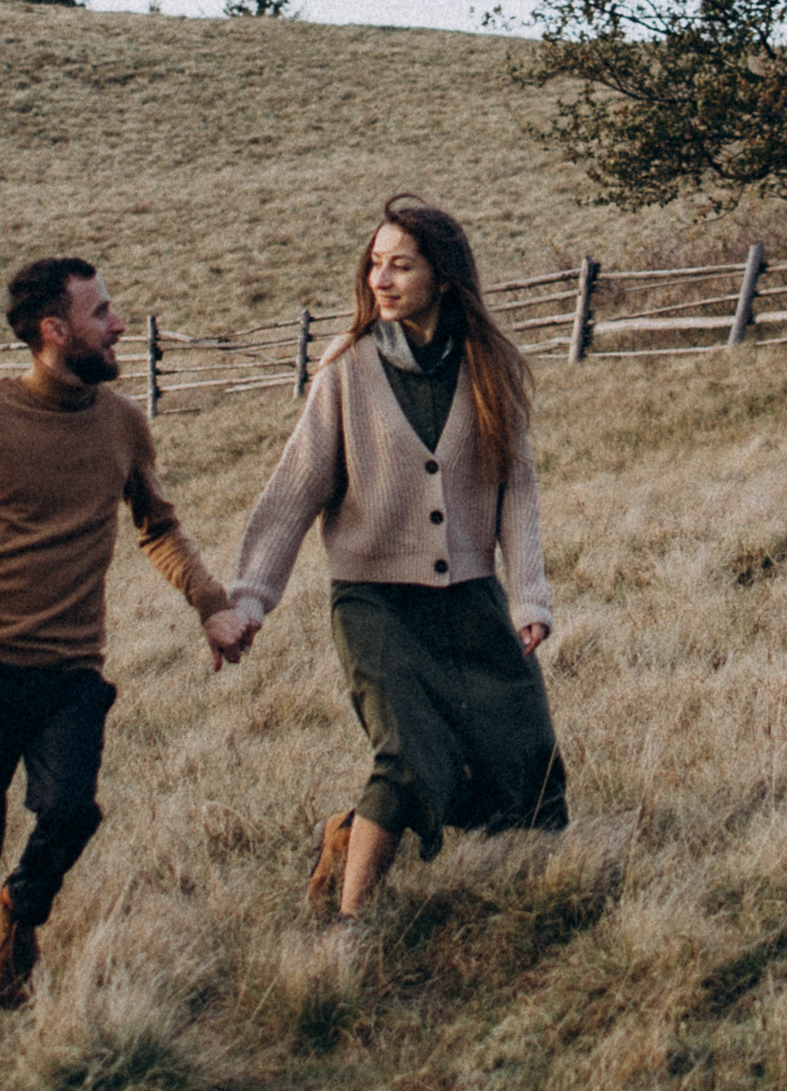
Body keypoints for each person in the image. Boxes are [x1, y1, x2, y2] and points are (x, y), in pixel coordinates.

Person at [0, 254, 252, 1038]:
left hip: (69, 672)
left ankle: (22, 907)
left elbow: (157, 526)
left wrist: (210, 605)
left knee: (70, 811)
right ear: (55, 331)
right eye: (101, 313)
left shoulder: (122, 424)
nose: (118, 325)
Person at [224, 193, 565, 922]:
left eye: (400, 266)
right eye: (374, 265)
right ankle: (353, 924)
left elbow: (518, 490)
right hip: (374, 600)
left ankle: (517, 902)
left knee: (522, 748)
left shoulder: (489, 367)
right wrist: (250, 597)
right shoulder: (346, 368)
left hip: (470, 597)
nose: (380, 279)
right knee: (409, 755)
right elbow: (295, 489)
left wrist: (528, 596)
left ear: (442, 276)